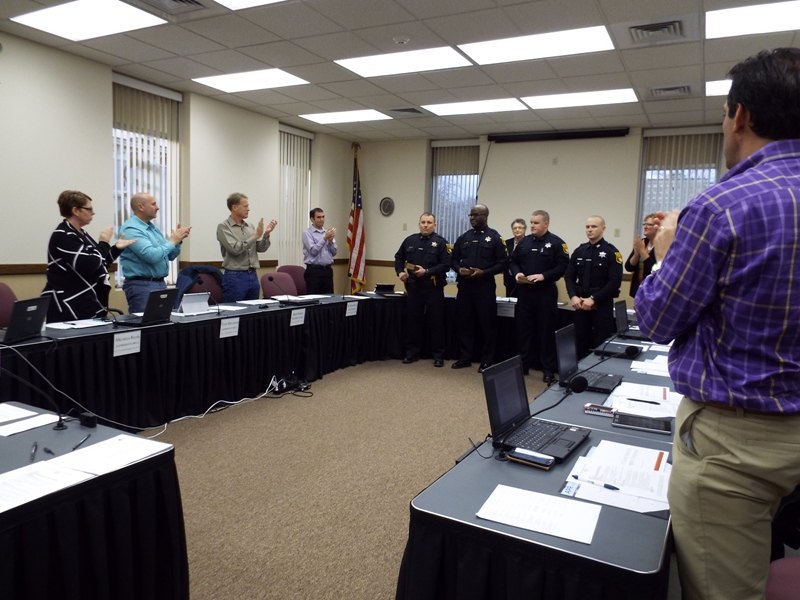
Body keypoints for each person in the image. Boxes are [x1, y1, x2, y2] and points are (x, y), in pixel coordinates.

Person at [634, 48, 800, 600]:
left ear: (740, 116)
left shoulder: (722, 206)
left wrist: (665, 254)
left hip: (737, 445)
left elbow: (656, 319)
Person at [41, 190, 136, 322]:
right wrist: (103, 243)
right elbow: (89, 265)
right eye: (89, 209)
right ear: (76, 210)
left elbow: (99, 263)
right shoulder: (63, 235)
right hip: (68, 304)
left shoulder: (81, 233)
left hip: (86, 302)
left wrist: (116, 249)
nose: (93, 212)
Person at [509, 210, 569, 383]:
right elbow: (513, 261)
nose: (532, 226)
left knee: (546, 331)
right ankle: (523, 365)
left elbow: (563, 266)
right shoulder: (524, 242)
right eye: (531, 222)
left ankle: (548, 369)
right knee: (523, 330)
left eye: (536, 223)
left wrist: (544, 276)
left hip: (545, 292)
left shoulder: (557, 243)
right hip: (525, 292)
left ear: (546, 224)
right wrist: (517, 273)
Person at [450, 204, 508, 372]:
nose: (472, 218)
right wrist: (458, 269)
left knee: (487, 324)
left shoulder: (495, 238)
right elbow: (453, 259)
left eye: (476, 215)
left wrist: (484, 272)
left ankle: (487, 360)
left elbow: (503, 263)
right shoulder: (464, 237)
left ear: (485, 216)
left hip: (484, 287)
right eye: (471, 215)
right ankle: (465, 357)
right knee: (464, 323)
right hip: (465, 287)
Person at [394, 213, 451, 368]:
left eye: (429, 222)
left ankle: (438, 355)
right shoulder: (410, 240)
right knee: (413, 321)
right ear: (419, 224)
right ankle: (412, 353)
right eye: (423, 222)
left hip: (433, 288)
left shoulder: (441, 243)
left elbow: (446, 265)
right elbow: (399, 258)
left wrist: (427, 271)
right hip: (414, 288)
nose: (426, 225)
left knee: (437, 322)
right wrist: (400, 272)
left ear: (435, 225)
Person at [119, 192, 191, 313]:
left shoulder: (152, 228)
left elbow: (170, 256)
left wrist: (178, 241)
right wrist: (172, 242)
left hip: (160, 283)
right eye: (153, 204)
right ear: (140, 207)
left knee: (164, 322)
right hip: (141, 285)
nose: (157, 207)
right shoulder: (131, 229)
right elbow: (151, 256)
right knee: (146, 323)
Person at [564, 215, 622, 358]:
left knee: (602, 342)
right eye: (587, 227)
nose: (590, 230)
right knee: (579, 341)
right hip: (581, 304)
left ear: (603, 229)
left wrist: (594, 298)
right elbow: (569, 276)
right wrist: (573, 296)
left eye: (594, 226)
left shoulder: (611, 252)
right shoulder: (580, 251)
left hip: (601, 305)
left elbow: (615, 282)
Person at [216, 193, 277, 302]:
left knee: (253, 310)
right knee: (234, 310)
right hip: (235, 276)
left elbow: (260, 248)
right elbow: (235, 249)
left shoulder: (249, 226)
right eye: (245, 206)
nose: (248, 209)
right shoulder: (223, 227)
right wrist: (256, 236)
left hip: (252, 275)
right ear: (234, 207)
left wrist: (266, 235)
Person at [302, 208, 337, 294]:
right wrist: (324, 238)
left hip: (327, 271)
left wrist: (331, 242)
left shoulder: (327, 232)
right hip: (314, 271)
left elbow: (334, 252)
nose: (322, 219)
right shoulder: (307, 233)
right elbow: (313, 251)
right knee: (315, 299)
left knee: (329, 298)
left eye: (323, 217)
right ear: (312, 219)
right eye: (319, 217)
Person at [624, 213, 657, 298]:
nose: (645, 227)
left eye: (649, 224)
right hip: (638, 289)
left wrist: (642, 251)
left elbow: (653, 269)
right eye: (644, 224)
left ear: (657, 227)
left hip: (652, 290)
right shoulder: (643, 242)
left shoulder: (662, 246)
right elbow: (628, 267)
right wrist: (636, 254)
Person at [504, 218, 527, 297]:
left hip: (524, 278)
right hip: (509, 278)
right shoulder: (507, 243)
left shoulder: (529, 242)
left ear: (525, 229)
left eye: (520, 228)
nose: (517, 230)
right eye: (515, 228)